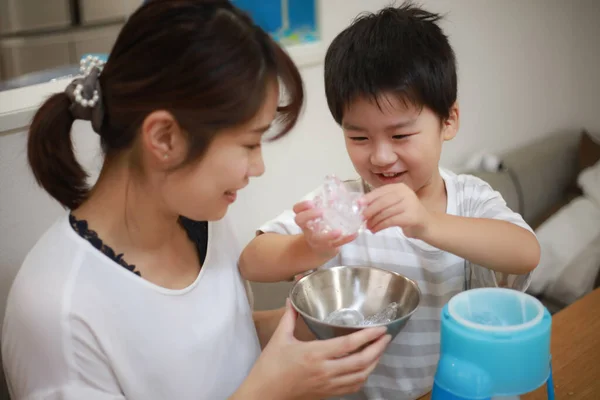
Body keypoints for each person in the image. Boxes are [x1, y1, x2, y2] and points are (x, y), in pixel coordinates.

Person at [1, 1, 392, 399]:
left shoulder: (199, 218)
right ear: (165, 138)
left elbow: (210, 351)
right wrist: (271, 391)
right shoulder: (58, 314)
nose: (257, 167)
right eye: (249, 143)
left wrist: (318, 325)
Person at [239, 2, 541, 399]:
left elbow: (525, 252)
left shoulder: (468, 199)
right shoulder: (342, 204)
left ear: (448, 121)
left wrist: (427, 224)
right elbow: (251, 260)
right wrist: (308, 246)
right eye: (359, 137)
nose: (380, 157)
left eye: (400, 136)